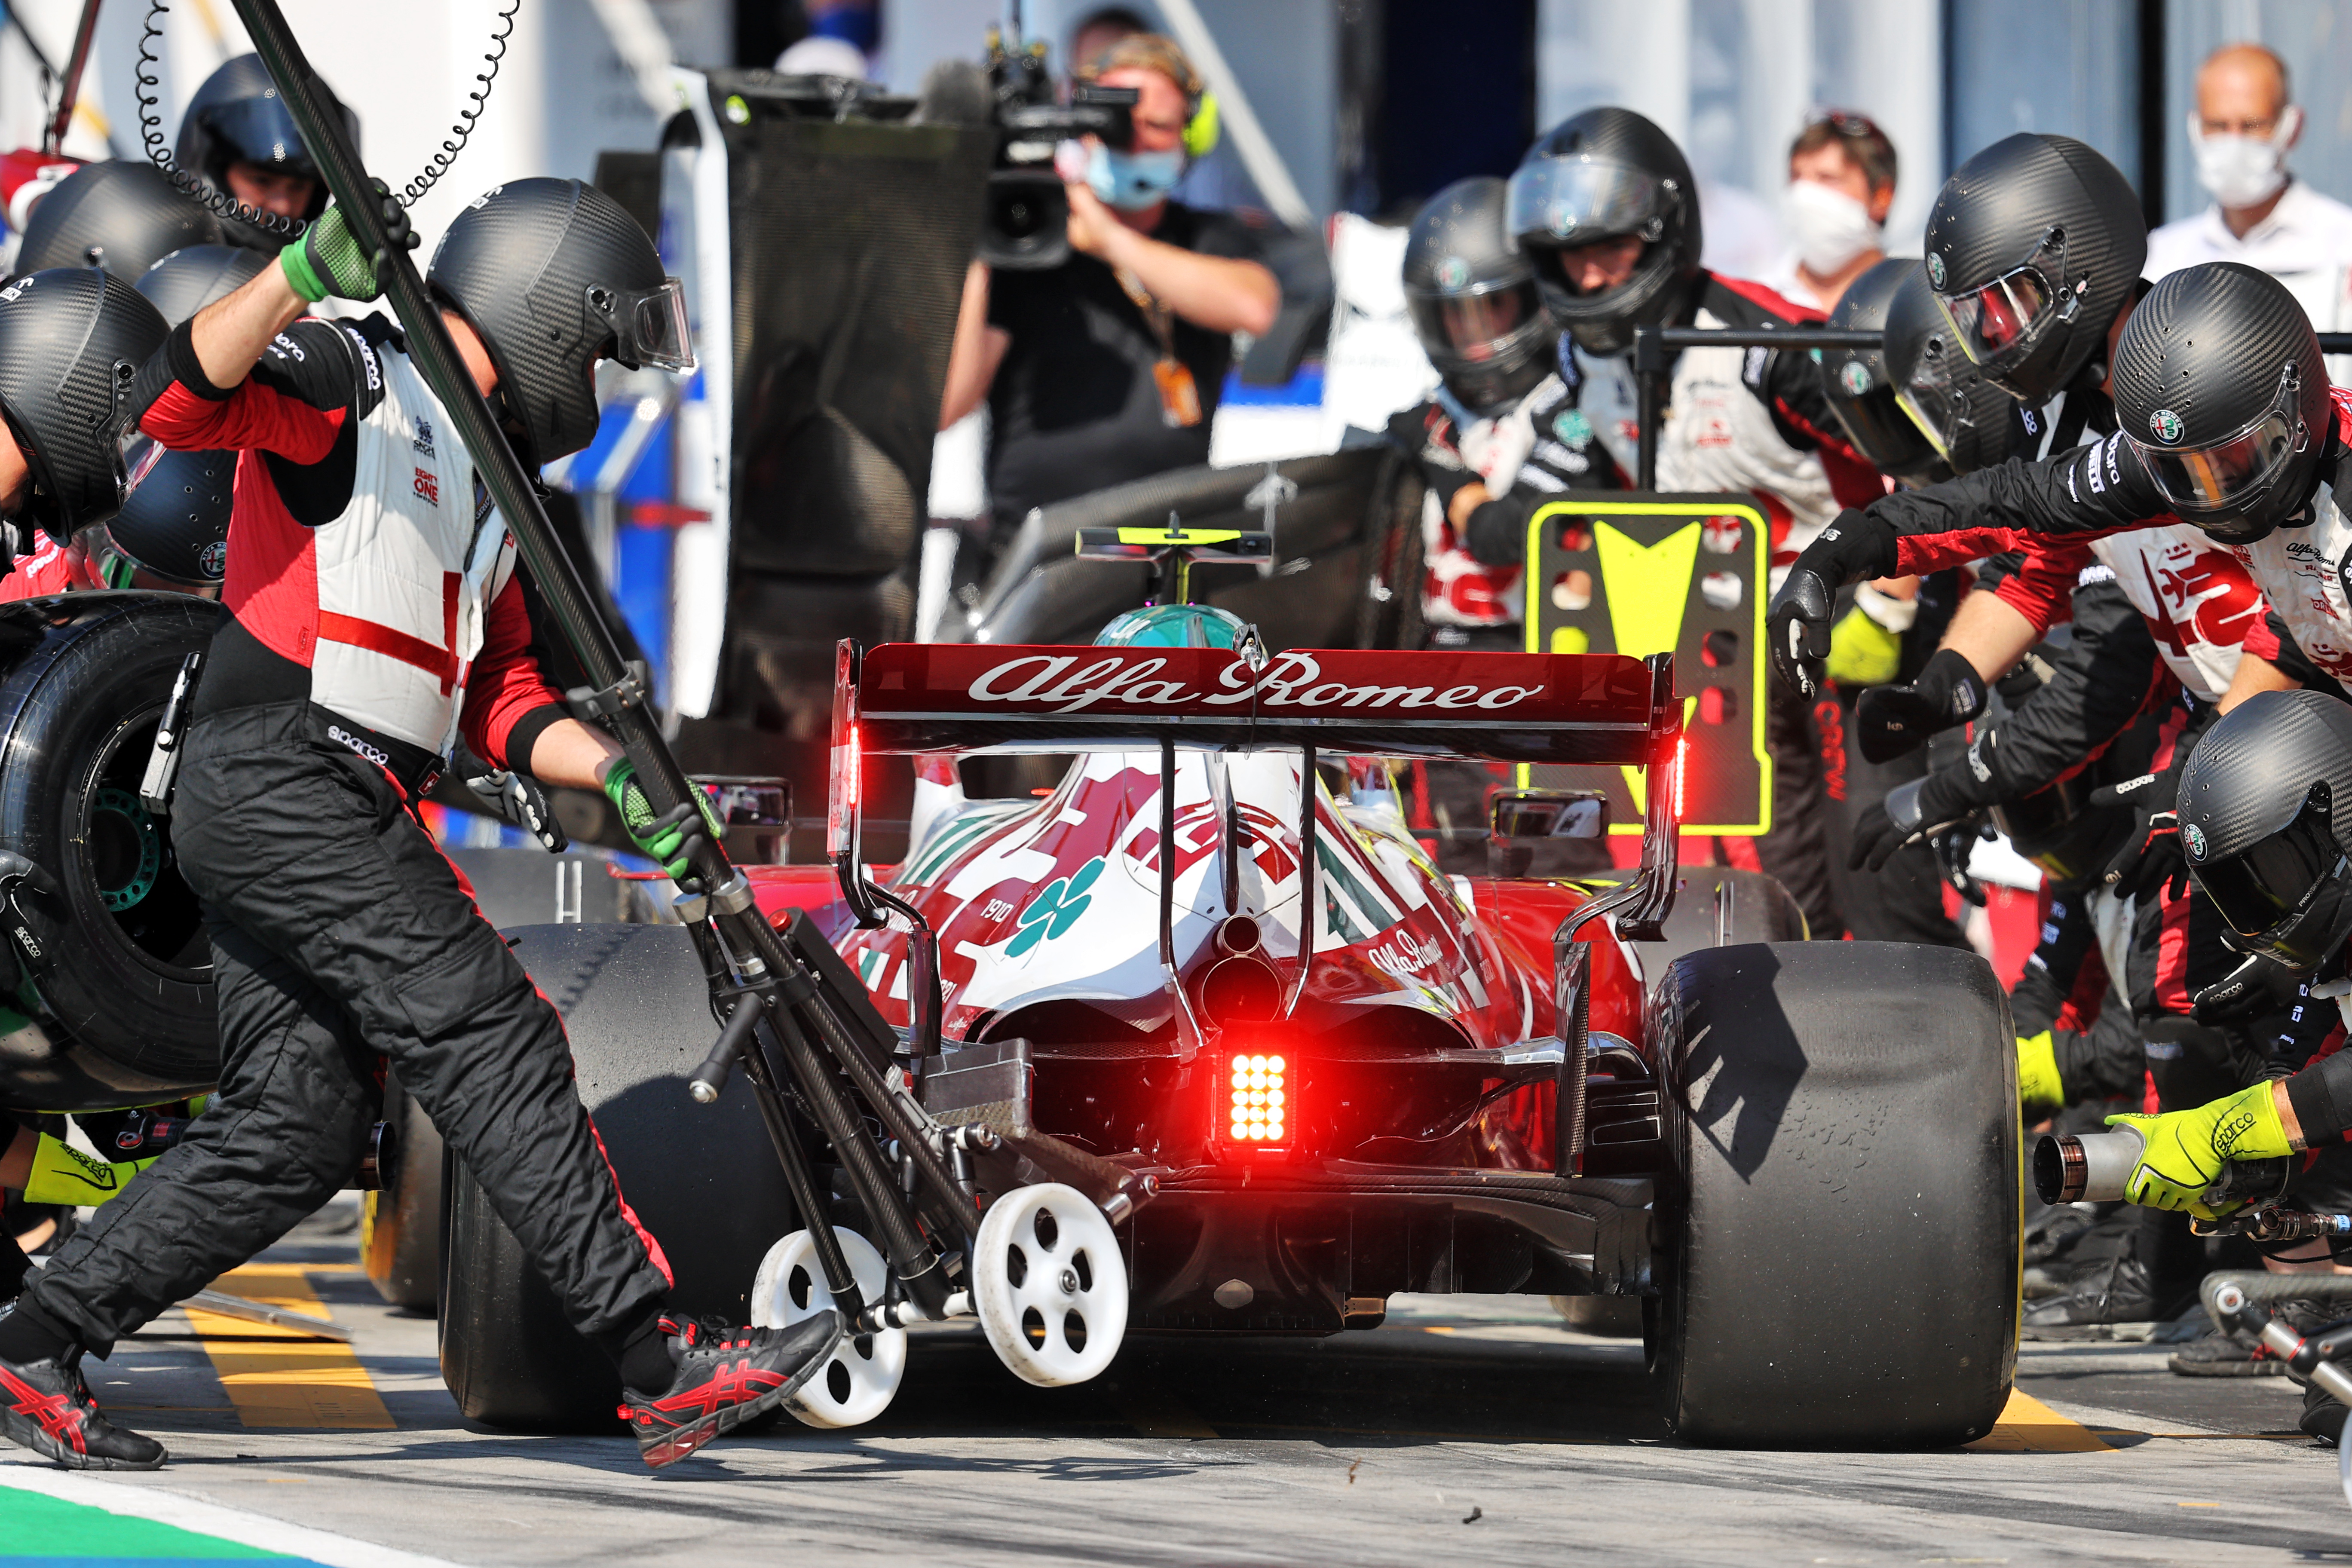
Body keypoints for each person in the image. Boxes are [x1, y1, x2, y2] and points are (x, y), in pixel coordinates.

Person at [0, 178, 841, 1472]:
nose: (601, 387)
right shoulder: (356, 372)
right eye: (602, 352)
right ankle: (653, 1353)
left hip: (311, 794)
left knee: (298, 1126)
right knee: (494, 1032)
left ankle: (39, 1343)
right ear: (550, 316)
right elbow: (178, 401)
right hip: (283, 772)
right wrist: (301, 269)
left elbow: (497, 698)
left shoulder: (496, 490)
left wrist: (619, 780)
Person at [1768, 261, 2352, 1336]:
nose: (2211, 496)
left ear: (2297, 406)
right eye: (2183, 470)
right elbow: (2008, 507)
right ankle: (2307, 1278)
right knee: (2227, 875)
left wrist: (2234, 1128)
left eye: (2233, 460)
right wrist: (1841, 549)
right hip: (2315, 708)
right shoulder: (2193, 471)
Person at [1501, 104, 1883, 939]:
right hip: (1693, 651)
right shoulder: (1577, 356)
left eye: (1612, 248)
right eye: (1571, 256)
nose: (1593, 277)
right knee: (1699, 883)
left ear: (1665, 231)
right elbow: (1540, 511)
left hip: (1828, 630)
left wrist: (1883, 613)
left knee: (1839, 882)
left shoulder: (1770, 345)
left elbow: (1907, 478)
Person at [937, 32, 1279, 553]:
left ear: (1191, 135)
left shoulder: (1208, 238)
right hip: (1033, 555)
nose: (1135, 142)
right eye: (1119, 125)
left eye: (1158, 127)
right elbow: (948, 403)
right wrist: (981, 234)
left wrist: (1109, 239)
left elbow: (1254, 306)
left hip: (1165, 556)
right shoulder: (1028, 244)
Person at [2145, 42, 2352, 373]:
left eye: (2252, 125)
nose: (2234, 142)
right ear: (2194, 127)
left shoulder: (2344, 247)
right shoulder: (2160, 259)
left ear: (2293, 126)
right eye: (2218, 125)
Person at [173, 54, 358, 244]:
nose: (283, 207)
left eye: (299, 187)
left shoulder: (322, 266)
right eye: (262, 181)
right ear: (214, 172)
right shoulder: (165, 251)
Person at [1758, 112, 1897, 314]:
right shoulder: (1757, 299)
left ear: (1881, 197)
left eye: (1827, 179)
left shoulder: (1915, 302)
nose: (1804, 195)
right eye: (1796, 177)